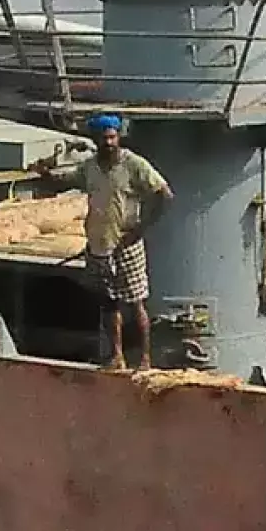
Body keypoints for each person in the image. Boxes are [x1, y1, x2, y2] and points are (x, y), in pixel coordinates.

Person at [74, 113, 172, 370]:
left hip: (126, 244)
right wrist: (44, 172)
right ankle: (117, 356)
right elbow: (71, 180)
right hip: (100, 244)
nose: (108, 143)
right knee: (109, 304)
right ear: (95, 139)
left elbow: (164, 194)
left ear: (119, 137)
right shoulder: (90, 167)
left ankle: (145, 358)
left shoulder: (133, 164)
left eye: (112, 137)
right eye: (103, 138)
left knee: (136, 302)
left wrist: (140, 228)